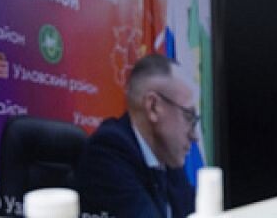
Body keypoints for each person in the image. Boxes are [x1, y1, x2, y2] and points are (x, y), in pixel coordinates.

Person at [75, 55, 198, 218]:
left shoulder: (166, 156)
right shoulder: (107, 153)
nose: (195, 136)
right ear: (153, 107)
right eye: (189, 116)